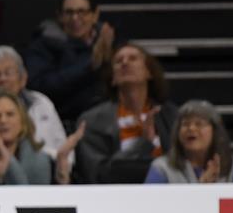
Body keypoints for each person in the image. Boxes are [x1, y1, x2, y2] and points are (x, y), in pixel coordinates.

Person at [75, 44, 178, 183]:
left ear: (149, 72)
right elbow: (98, 174)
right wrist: (143, 143)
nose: (125, 62)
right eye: (118, 61)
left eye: (133, 58)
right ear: (113, 78)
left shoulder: (171, 115)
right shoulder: (93, 121)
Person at [24, 0, 115, 122]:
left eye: (82, 12)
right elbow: (40, 87)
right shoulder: (43, 45)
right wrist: (91, 62)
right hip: (63, 121)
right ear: (59, 16)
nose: (75, 18)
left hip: (109, 119)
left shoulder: (109, 40)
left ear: (95, 14)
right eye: (69, 12)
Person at [147, 100, 233, 183]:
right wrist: (201, 187)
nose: (191, 128)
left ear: (215, 131)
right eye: (185, 124)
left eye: (199, 124)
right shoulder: (162, 167)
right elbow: (150, 196)